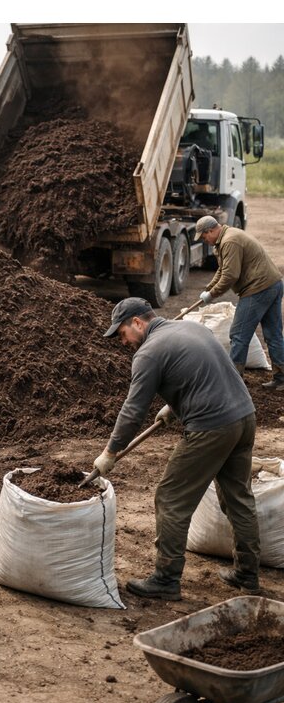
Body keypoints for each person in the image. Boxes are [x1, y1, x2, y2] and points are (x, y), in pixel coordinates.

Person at [93, 297, 260, 601]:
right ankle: (248, 575)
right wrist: (174, 406)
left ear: (138, 323)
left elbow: (133, 410)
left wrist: (110, 452)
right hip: (244, 416)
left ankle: (166, 579)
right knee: (238, 498)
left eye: (122, 333)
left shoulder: (148, 353)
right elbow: (203, 372)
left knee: (170, 498)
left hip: (212, 426)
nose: (123, 341)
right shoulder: (190, 328)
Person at [195, 214, 284, 389]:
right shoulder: (227, 237)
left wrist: (212, 295)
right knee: (274, 335)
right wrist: (208, 288)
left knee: (238, 335)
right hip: (273, 284)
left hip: (258, 288)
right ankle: (282, 379)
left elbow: (230, 275)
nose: (205, 240)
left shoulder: (230, 242)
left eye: (204, 236)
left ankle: (232, 381)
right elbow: (223, 269)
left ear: (212, 230)